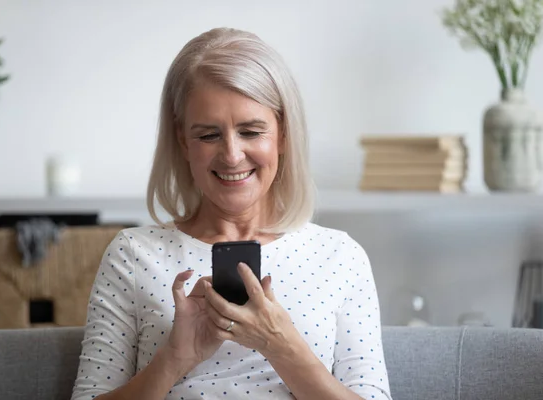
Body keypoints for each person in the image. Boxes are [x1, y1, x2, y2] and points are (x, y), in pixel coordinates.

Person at [71, 27, 391, 400]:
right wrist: (175, 358)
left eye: (251, 132)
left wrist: (283, 348)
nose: (232, 155)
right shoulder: (133, 254)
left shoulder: (339, 256)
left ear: (283, 133)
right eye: (208, 135)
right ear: (182, 140)